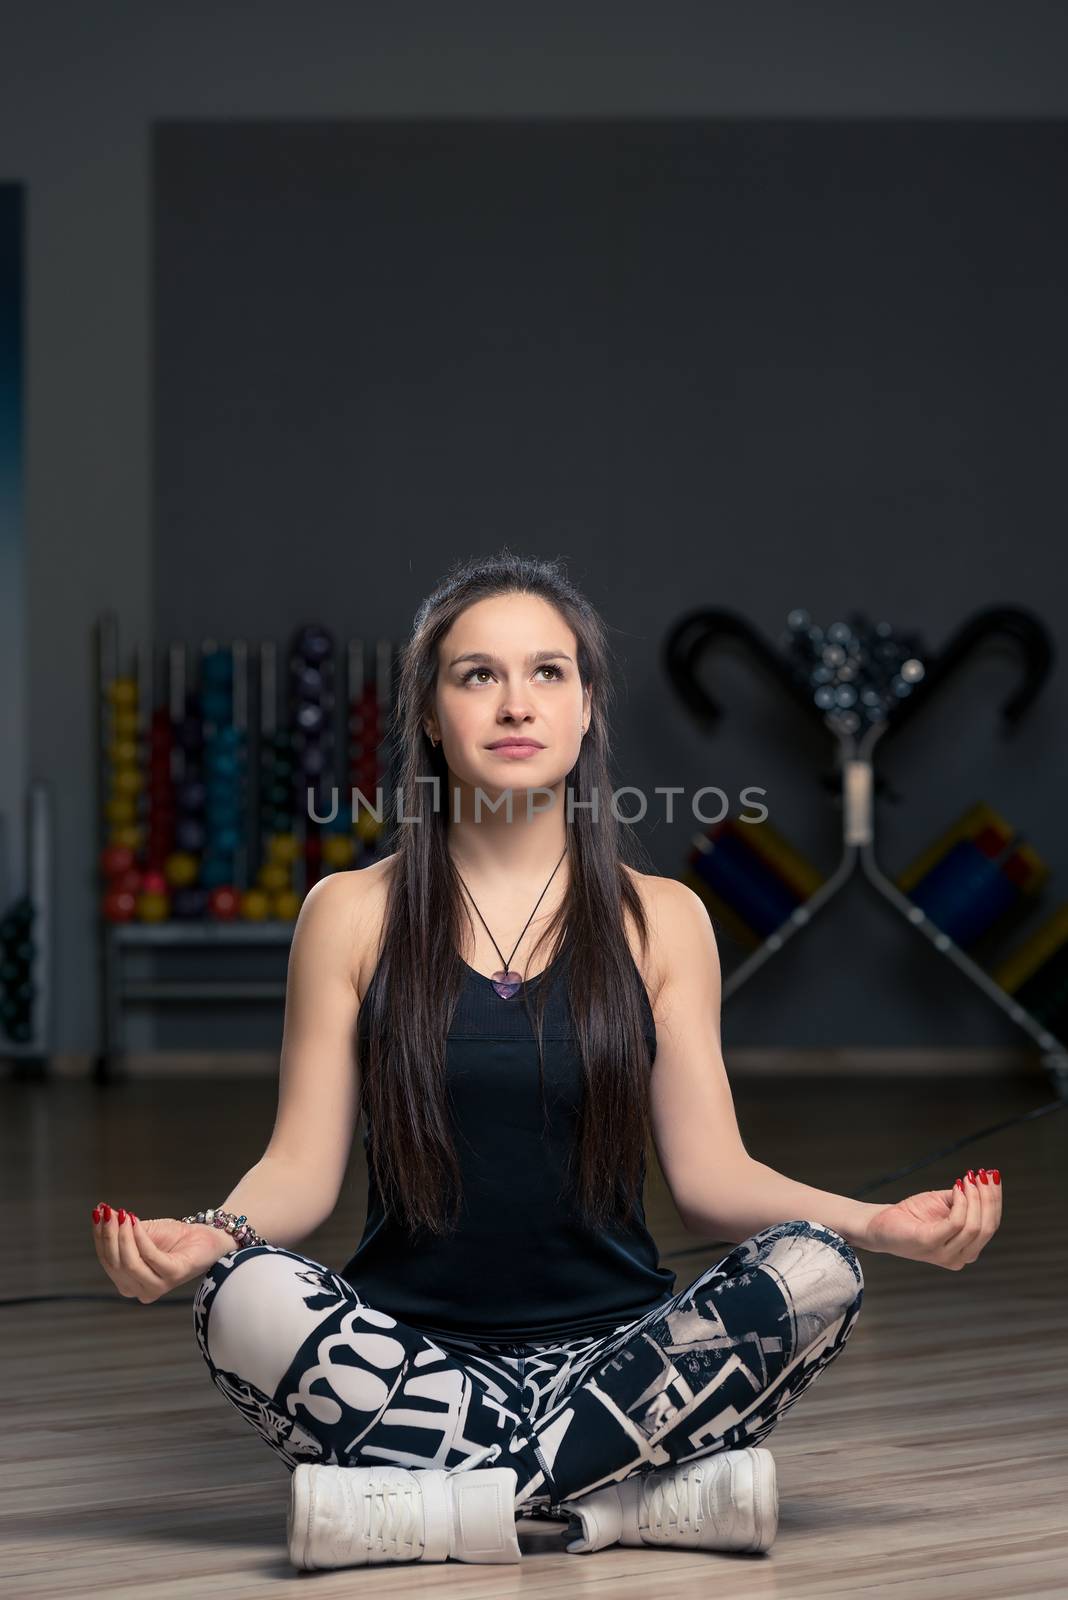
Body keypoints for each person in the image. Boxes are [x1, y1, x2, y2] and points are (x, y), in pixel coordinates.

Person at [91, 550, 1003, 1569]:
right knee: (239, 1296)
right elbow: (301, 1172)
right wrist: (208, 1234)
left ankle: (441, 1511)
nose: (515, 701)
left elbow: (712, 1180)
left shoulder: (665, 919)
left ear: (585, 712)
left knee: (818, 1270)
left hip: (616, 1360)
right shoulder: (347, 914)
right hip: (413, 1359)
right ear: (431, 716)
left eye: (548, 672)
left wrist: (878, 1224)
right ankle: (623, 1506)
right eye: (477, 673)